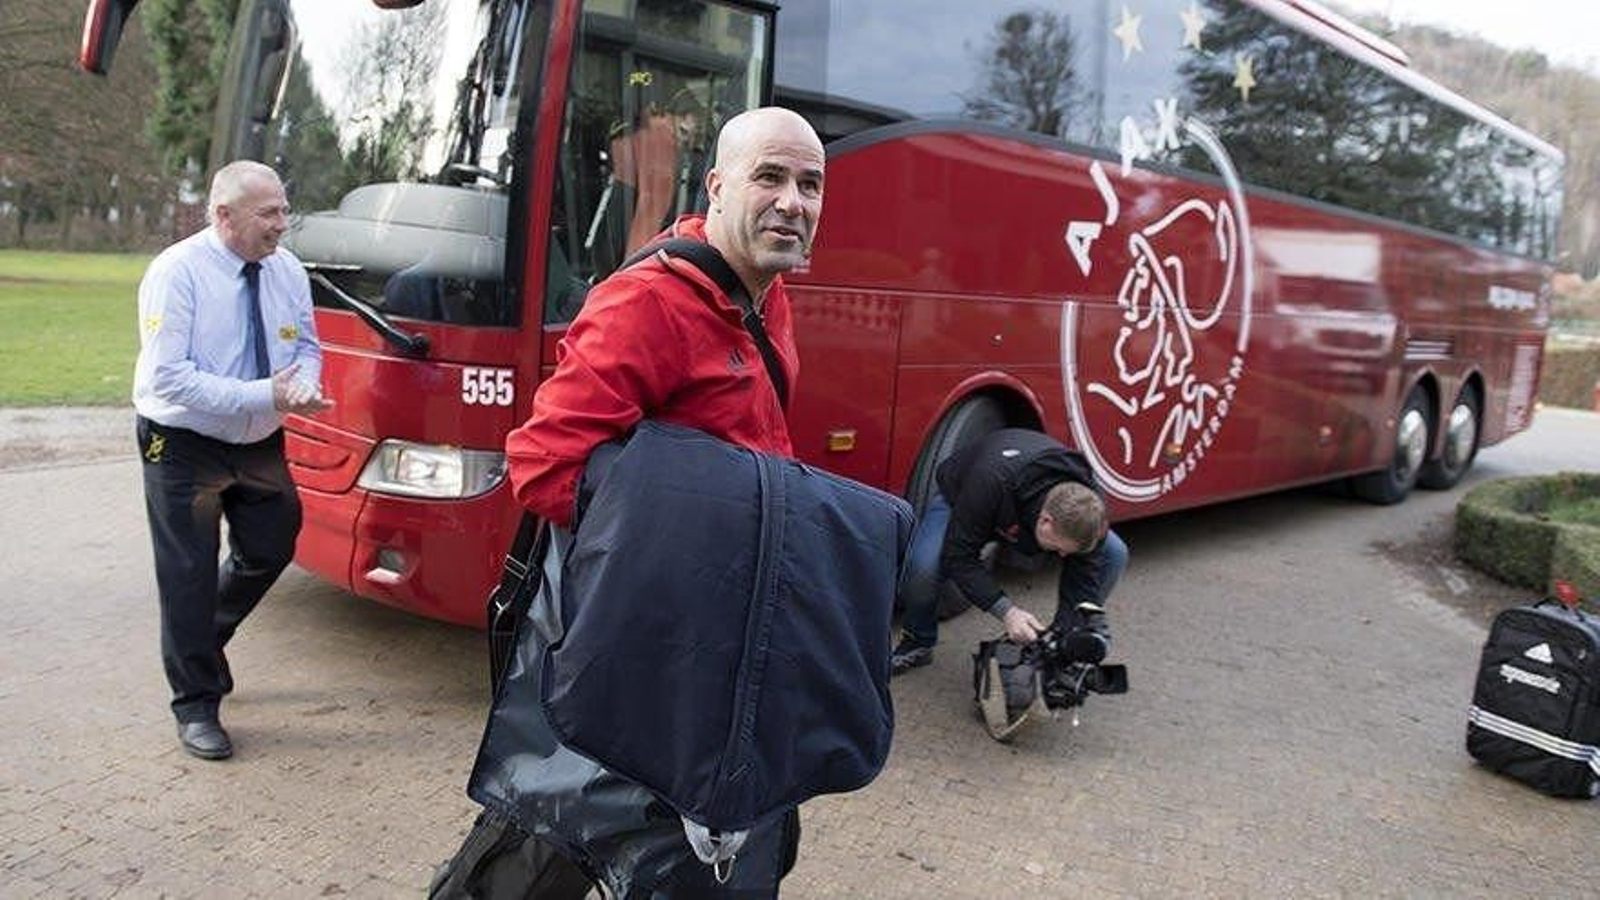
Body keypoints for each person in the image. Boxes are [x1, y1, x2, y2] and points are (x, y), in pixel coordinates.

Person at [489, 106, 824, 896]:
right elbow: (542, 466)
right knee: (575, 817)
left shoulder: (766, 294)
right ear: (717, 186)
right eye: (770, 177)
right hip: (650, 640)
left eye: (810, 184)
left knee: (606, 822)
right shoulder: (647, 303)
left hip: (721, 637)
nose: (792, 202)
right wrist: (698, 538)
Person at [133, 160, 333, 760]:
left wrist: (304, 384)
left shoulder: (286, 268)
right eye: (268, 213)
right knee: (188, 573)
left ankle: (203, 637)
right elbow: (168, 378)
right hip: (181, 442)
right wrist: (266, 394)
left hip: (258, 439)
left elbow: (308, 344)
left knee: (272, 544)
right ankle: (196, 704)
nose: (282, 224)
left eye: (284, 209)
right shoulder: (177, 272)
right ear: (224, 215)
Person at [891, 428, 1130, 675]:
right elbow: (959, 556)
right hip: (968, 498)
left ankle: (1061, 644)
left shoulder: (1091, 511)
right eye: (1059, 548)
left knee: (1114, 553)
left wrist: (1065, 634)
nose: (1061, 557)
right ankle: (918, 640)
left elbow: (1083, 577)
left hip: (1018, 509)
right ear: (1045, 521)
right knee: (923, 567)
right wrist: (1007, 612)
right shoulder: (989, 481)